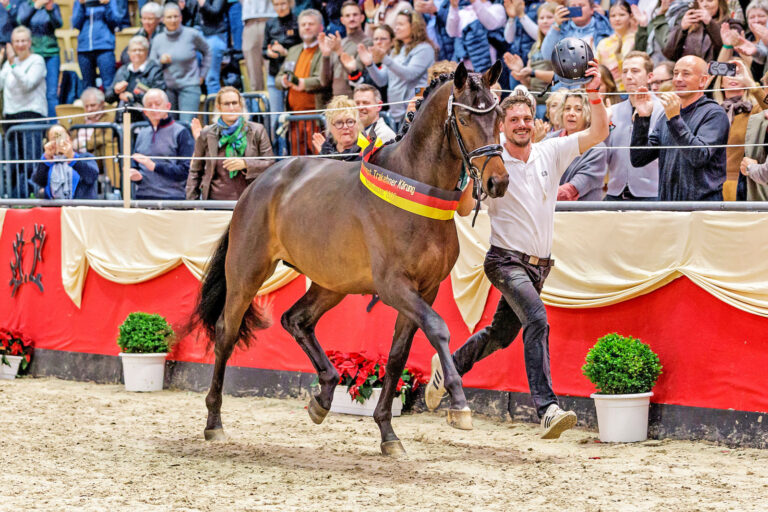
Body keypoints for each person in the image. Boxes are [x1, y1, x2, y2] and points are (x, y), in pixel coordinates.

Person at [425, 60, 610, 439]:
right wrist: (467, 176)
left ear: (533, 120)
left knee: (500, 335)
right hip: (504, 260)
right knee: (538, 320)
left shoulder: (551, 152)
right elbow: (462, 209)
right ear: (501, 125)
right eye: (514, 120)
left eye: (527, 118)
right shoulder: (493, 163)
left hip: (540, 266)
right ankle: (548, 408)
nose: (522, 124)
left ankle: (448, 366)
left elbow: (599, 132)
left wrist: (594, 93)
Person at [630, 55, 729, 200]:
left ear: (703, 81)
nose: (678, 79)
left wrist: (675, 119)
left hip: (702, 208)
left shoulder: (714, 113)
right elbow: (638, 159)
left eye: (686, 74)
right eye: (676, 73)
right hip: (668, 206)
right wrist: (643, 119)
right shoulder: (667, 115)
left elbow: (699, 157)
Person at [187, 87, 274, 200]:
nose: (231, 108)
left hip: (250, 201)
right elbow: (195, 172)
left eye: (234, 103)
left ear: (240, 105)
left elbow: (271, 164)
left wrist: (246, 164)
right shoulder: (207, 134)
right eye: (227, 104)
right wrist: (191, 204)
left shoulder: (257, 130)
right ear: (219, 107)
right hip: (214, 203)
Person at [359, 9, 436, 125]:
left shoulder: (425, 49)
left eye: (401, 24)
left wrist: (384, 58)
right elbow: (382, 80)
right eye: (396, 25)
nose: (396, 28)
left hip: (415, 112)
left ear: (414, 26)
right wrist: (370, 65)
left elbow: (409, 75)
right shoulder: (397, 50)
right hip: (396, 114)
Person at [605, 51, 663, 201]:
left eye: (635, 71)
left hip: (651, 194)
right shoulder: (612, 111)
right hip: (614, 193)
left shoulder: (664, 110)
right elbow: (602, 155)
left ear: (650, 77)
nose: (629, 76)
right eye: (625, 72)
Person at [276, 9, 331, 154]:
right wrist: (283, 81)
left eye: (311, 24)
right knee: (297, 163)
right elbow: (278, 77)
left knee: (321, 162)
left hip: (317, 119)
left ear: (320, 27)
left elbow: (324, 79)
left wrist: (303, 84)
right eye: (303, 24)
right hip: (294, 119)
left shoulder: (325, 50)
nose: (306, 27)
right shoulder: (293, 50)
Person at [149, 2, 211, 124]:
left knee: (186, 125)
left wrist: (203, 74)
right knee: (169, 126)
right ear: (162, 19)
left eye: (176, 16)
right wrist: (160, 61)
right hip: (167, 89)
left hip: (189, 86)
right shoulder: (157, 40)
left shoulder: (192, 34)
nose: (173, 20)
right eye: (169, 17)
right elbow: (151, 65)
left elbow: (208, 51)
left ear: (181, 17)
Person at [712, 58, 765, 200]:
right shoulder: (710, 111)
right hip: (711, 184)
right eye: (728, 72)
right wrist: (703, 85)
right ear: (721, 82)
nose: (733, 76)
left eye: (738, 73)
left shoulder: (756, 110)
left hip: (744, 183)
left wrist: (752, 86)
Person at [130, 89, 195, 199]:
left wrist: (155, 166)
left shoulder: (181, 132)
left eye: (158, 104)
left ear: (168, 106)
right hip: (142, 198)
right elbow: (135, 166)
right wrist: (134, 175)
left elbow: (186, 171)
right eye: (149, 105)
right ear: (145, 111)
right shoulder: (141, 134)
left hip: (172, 199)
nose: (154, 108)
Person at [547, 91, 607, 200]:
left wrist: (541, 196)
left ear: (588, 114)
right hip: (551, 211)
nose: (571, 113)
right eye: (567, 108)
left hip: (582, 214)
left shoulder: (598, 148)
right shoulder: (549, 140)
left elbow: (571, 191)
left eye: (578, 109)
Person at [505, 2, 558, 118]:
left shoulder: (561, 44)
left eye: (549, 17)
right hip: (533, 99)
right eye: (541, 18)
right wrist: (521, 73)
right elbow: (529, 83)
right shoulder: (535, 46)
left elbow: (561, 77)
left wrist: (533, 73)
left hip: (550, 100)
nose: (544, 21)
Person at [17, 0, 62, 118]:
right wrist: (36, 7)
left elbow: (59, 24)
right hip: (33, 55)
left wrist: (50, 10)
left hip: (51, 54)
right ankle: (37, 123)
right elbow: (21, 22)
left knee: (51, 93)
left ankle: (52, 125)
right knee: (33, 92)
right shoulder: (26, 5)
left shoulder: (53, 5)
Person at [106, 35, 165, 123]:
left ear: (146, 52)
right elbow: (108, 98)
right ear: (128, 52)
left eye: (140, 50)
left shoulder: (155, 70)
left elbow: (158, 98)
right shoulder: (122, 70)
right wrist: (116, 92)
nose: (137, 53)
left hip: (146, 121)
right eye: (134, 50)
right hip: (123, 120)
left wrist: (132, 97)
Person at [32, 124, 98, 200]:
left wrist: (72, 158)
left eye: (62, 136)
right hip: (55, 209)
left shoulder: (85, 156)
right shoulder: (47, 161)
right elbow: (38, 181)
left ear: (70, 139)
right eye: (54, 138)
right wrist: (46, 160)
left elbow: (92, 176)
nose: (60, 141)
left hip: (80, 209)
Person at [320, 1, 371, 97]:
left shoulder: (367, 42)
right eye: (347, 16)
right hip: (336, 102)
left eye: (355, 15)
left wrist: (339, 52)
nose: (351, 18)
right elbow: (324, 82)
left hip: (356, 100)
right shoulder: (340, 43)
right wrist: (326, 55)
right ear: (342, 20)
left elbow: (357, 72)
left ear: (362, 18)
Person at [263, 0, 300, 130]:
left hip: (293, 75)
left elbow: (302, 49)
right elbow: (263, 50)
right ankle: (277, 148)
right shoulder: (270, 23)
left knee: (292, 116)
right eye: (276, 4)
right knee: (275, 117)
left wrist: (285, 52)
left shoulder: (298, 21)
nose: (280, 7)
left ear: (290, 3)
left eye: (283, 3)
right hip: (274, 74)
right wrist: (268, 52)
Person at [0, 25, 46, 127]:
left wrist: (13, 65)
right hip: (10, 116)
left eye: (23, 41)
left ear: (29, 42)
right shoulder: (8, 64)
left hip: (31, 116)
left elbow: (28, 85)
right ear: (12, 44)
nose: (20, 44)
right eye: (17, 41)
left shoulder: (37, 60)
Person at [443, 0, 506, 73]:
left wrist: (475, 2)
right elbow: (451, 32)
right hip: (466, 69)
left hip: (491, 67)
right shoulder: (463, 12)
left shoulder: (497, 8)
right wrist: (454, 7)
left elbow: (491, 24)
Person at [71, 0, 121, 89]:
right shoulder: (78, 1)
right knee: (88, 86)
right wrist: (81, 5)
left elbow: (116, 22)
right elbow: (76, 24)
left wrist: (107, 5)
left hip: (104, 47)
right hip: (84, 48)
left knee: (108, 84)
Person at [541, 0, 613, 60]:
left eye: (581, 5)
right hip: (568, 74)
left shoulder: (605, 26)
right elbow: (547, 56)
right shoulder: (562, 28)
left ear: (592, 10)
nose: (577, 8)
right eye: (573, 6)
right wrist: (556, 26)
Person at [663, 0, 729, 62]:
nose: (705, 4)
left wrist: (710, 23)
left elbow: (726, 50)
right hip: (688, 69)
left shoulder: (730, 24)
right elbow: (669, 54)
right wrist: (682, 29)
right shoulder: (690, 23)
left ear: (720, 2)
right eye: (701, 1)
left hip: (712, 71)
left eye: (710, 0)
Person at [595, 0, 636, 90]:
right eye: (613, 16)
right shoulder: (604, 43)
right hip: (608, 89)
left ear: (631, 16)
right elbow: (597, 67)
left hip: (629, 88)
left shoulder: (636, 39)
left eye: (622, 15)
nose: (617, 19)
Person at [311, 94, 363, 159]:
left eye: (350, 122)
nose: (345, 127)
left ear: (358, 124)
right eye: (339, 123)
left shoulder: (368, 150)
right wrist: (325, 156)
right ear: (330, 128)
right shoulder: (326, 151)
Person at [195, 0, 228, 95]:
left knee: (211, 78)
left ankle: (215, 107)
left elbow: (215, 12)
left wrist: (203, 3)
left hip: (214, 35)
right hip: (196, 34)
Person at [242, 0, 277, 92]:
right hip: (249, 23)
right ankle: (256, 104)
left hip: (269, 18)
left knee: (272, 67)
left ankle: (277, 103)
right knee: (252, 70)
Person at [119, 1, 163, 66]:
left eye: (150, 19)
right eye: (144, 18)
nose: (146, 22)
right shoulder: (139, 33)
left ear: (158, 20)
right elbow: (124, 56)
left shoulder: (164, 34)